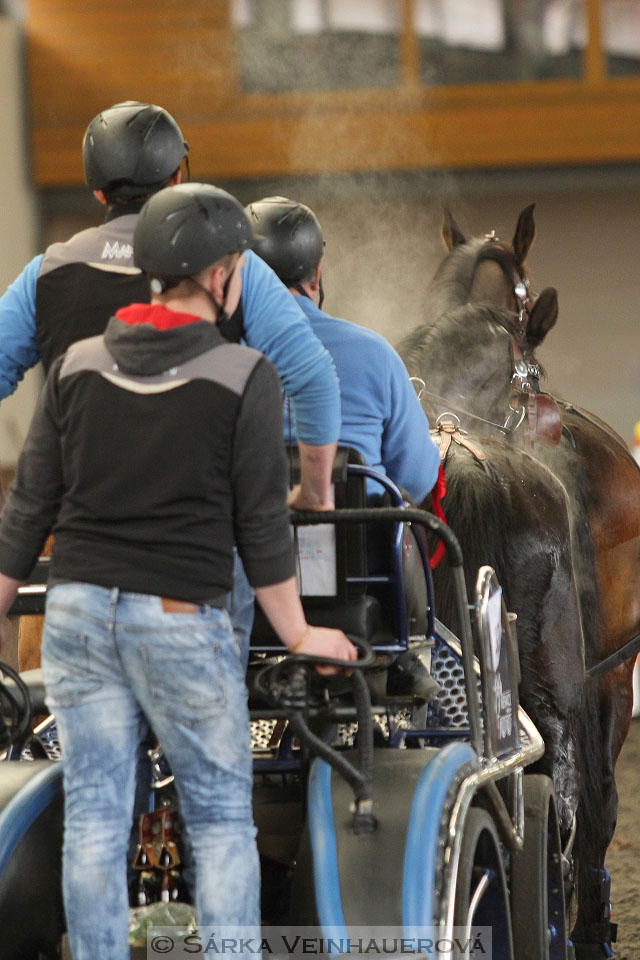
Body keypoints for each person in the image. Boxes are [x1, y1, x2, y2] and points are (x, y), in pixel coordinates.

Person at [0, 183, 356, 960]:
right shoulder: (243, 376)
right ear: (226, 275)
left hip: (79, 615)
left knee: (95, 818)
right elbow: (263, 528)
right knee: (222, 820)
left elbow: (29, 509)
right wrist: (300, 633)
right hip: (181, 620)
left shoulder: (77, 367)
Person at [0, 102, 341, 667]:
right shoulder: (228, 265)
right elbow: (314, 379)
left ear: (96, 192)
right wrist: (315, 492)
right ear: (179, 177)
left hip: (83, 562)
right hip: (197, 563)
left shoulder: (45, 274)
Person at [245, 195, 440, 505]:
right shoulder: (376, 353)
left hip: (245, 551)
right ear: (317, 273)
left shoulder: (215, 357)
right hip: (366, 550)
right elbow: (417, 478)